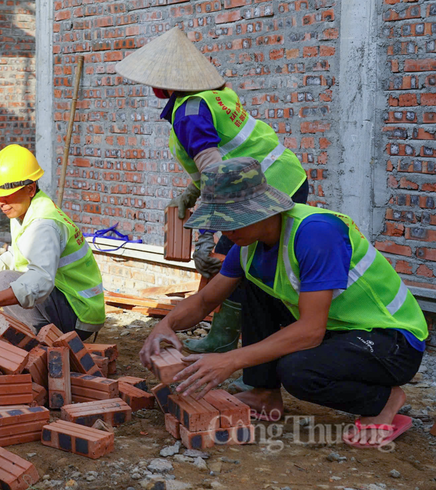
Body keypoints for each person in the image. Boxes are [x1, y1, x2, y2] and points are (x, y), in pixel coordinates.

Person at [139, 157, 427, 448]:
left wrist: (230, 360)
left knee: (298, 371)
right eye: (220, 222)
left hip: (391, 341)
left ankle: (382, 401)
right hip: (339, 330)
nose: (226, 232)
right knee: (254, 284)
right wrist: (166, 325)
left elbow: (310, 332)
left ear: (261, 209)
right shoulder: (247, 246)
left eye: (232, 220)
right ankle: (263, 393)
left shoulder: (316, 233)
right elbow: (204, 300)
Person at [116, 27, 309, 356]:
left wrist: (206, 234)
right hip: (284, 178)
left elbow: (216, 173)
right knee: (244, 265)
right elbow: (223, 160)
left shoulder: (189, 115)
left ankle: (229, 342)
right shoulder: (214, 96)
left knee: (231, 262)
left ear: (164, 83)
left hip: (264, 191)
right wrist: (190, 193)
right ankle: (229, 339)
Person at [0, 144, 105, 340]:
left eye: (6, 195)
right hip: (72, 305)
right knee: (1, 277)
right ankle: (24, 334)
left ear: (30, 189)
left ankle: (40, 342)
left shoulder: (44, 224)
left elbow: (40, 281)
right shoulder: (25, 211)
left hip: (80, 315)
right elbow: (18, 256)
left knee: (4, 280)